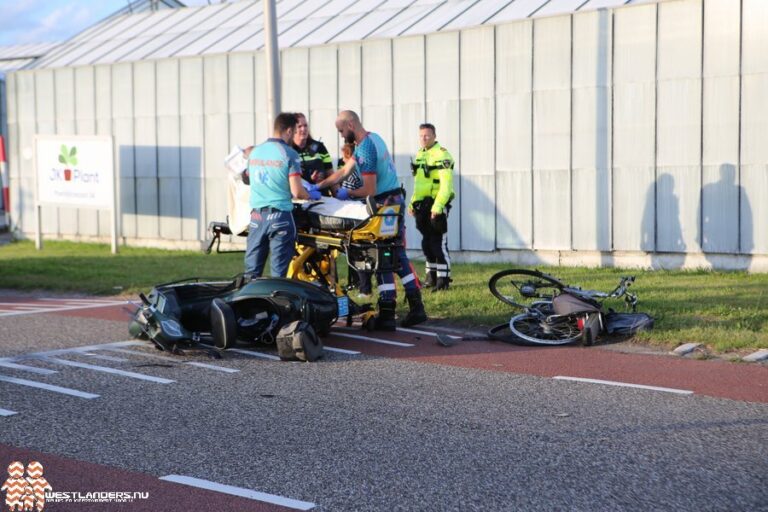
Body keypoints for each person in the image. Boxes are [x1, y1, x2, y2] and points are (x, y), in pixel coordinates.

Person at [317, 110, 427, 330]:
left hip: (384, 204)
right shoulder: (372, 138)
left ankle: (393, 312)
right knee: (391, 253)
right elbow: (345, 170)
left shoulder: (365, 148)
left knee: (384, 255)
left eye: (341, 130)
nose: (340, 136)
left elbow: (369, 188)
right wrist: (320, 186)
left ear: (350, 124)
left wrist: (346, 193)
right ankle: (409, 308)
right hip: (392, 201)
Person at [244, 112, 317, 278]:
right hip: (280, 217)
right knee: (278, 276)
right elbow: (297, 191)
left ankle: (249, 302)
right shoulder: (290, 154)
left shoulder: (255, 152)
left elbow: (247, 178)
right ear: (289, 131)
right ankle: (276, 303)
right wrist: (310, 194)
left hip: (256, 217)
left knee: (251, 273)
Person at [408, 123, 455, 291]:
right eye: (421, 136)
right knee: (426, 243)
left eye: (427, 136)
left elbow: (446, 185)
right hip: (423, 205)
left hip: (437, 204)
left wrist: (439, 206)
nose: (423, 138)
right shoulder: (421, 154)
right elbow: (419, 183)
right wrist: (413, 202)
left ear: (434, 136)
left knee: (438, 243)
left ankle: (443, 280)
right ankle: (431, 277)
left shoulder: (442, 154)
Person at [291, 112, 333, 188]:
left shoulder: (319, 147)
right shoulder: (288, 150)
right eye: (299, 126)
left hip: (321, 196)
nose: (303, 129)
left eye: (305, 125)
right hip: (298, 197)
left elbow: (330, 174)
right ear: (292, 129)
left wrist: (337, 196)